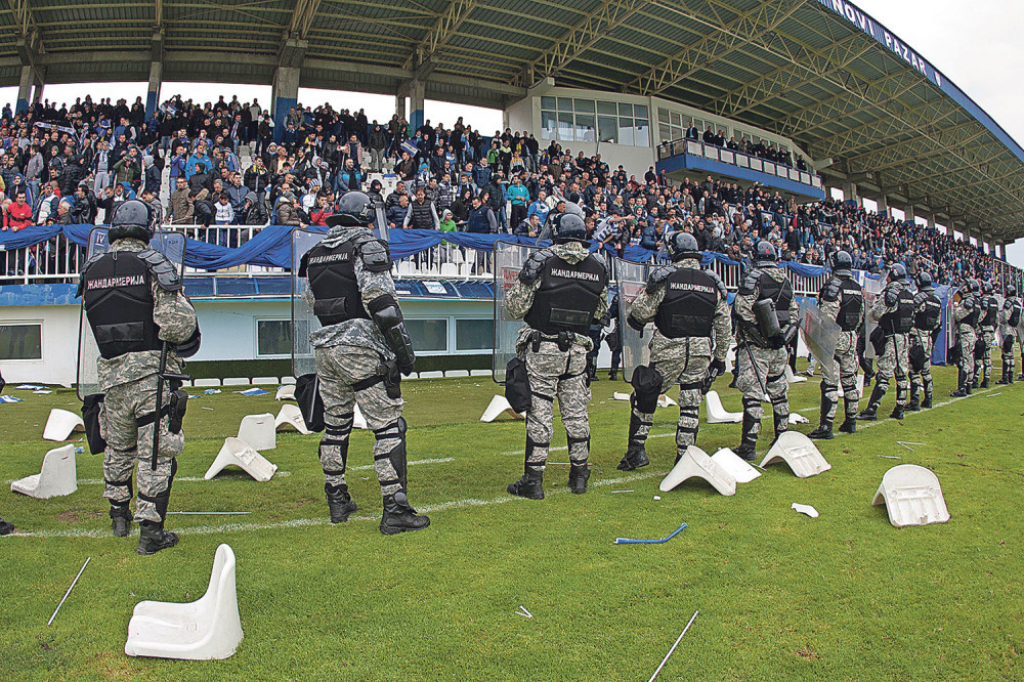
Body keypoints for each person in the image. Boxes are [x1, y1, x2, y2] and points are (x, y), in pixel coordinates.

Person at [299, 192, 429, 535]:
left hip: (325, 348)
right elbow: (382, 305)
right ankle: (395, 508)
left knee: (336, 425)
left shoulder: (315, 254)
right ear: (365, 216)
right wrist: (404, 354)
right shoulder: (366, 246)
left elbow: (312, 300)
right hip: (360, 347)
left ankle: (337, 499)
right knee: (388, 426)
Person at [77, 200, 199, 555]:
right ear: (148, 227)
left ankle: (118, 516)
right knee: (156, 452)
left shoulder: (92, 269)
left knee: (118, 447)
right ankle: (151, 531)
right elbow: (177, 326)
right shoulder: (153, 264)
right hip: (151, 373)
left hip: (111, 374)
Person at [503, 213, 609, 498]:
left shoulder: (542, 262)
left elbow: (514, 308)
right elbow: (600, 312)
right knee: (576, 415)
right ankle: (579, 477)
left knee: (540, 416)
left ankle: (533, 481)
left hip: (544, 348)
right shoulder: (598, 266)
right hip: (577, 351)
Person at [616, 232, 731, 471]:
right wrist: (720, 358)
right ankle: (684, 457)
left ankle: (636, 451)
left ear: (673, 252)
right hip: (700, 349)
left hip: (669, 345)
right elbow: (724, 326)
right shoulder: (713, 282)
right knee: (690, 402)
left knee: (645, 396)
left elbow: (638, 314)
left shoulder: (665, 279)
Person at [731, 242, 799, 460]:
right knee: (779, 392)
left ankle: (749, 445)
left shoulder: (753, 277)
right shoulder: (785, 280)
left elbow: (741, 310)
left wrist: (760, 337)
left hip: (756, 346)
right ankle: (782, 436)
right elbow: (794, 315)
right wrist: (781, 338)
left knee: (753, 394)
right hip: (779, 346)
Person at [809, 250, 863, 440]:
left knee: (830, 382)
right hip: (851, 336)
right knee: (850, 380)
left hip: (835, 335)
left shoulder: (834, 285)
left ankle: (826, 425)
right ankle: (851, 421)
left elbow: (828, 317)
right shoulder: (856, 286)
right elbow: (861, 315)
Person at [858, 264, 914, 420]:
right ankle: (900, 408)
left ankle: (872, 409)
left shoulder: (891, 293)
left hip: (892, 336)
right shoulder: (909, 294)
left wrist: (874, 308)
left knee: (884, 374)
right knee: (902, 374)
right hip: (904, 337)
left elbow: (875, 314)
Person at [907, 272, 942, 411]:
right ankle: (928, 398)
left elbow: (910, 313)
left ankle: (914, 401)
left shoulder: (920, 299)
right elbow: (937, 323)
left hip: (917, 337)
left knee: (914, 370)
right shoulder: (937, 300)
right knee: (926, 370)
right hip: (929, 337)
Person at [951, 279, 981, 397]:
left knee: (964, 360)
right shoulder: (977, 301)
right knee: (969, 359)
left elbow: (958, 316)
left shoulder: (968, 301)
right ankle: (968, 385)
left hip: (965, 332)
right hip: (972, 331)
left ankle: (962, 388)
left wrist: (956, 307)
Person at [975, 281, 999, 389]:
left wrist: (976, 325)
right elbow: (997, 319)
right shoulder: (995, 301)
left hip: (983, 330)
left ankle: (975, 379)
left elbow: (981, 316)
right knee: (988, 357)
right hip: (991, 331)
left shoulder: (984, 301)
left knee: (979, 357)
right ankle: (987, 379)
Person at [997, 284, 1021, 384]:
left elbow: (1004, 317)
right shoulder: (1018, 303)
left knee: (1006, 354)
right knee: (1011, 354)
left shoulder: (1008, 303)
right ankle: (1010, 376)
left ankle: (1005, 378)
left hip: (1006, 329)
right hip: (1014, 330)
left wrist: (999, 316)